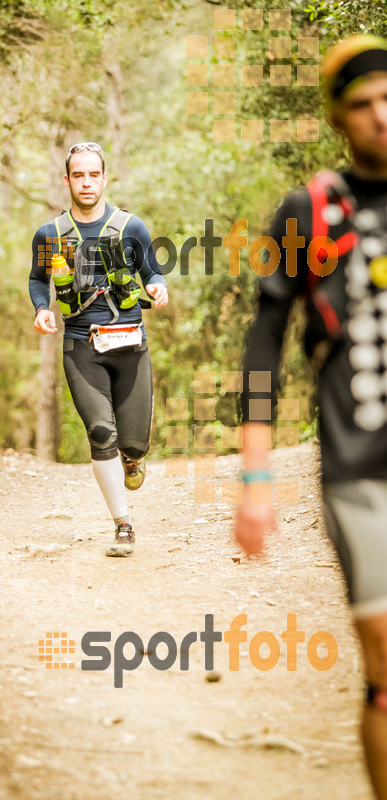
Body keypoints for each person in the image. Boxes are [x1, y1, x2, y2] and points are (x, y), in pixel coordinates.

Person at [235, 35, 387, 799]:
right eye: (362, 105)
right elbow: (261, 346)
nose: (381, 116)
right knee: (385, 658)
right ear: (336, 117)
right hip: (359, 470)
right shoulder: (307, 211)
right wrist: (255, 479)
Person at [29, 142, 168, 557]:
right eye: (78, 175)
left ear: (105, 179)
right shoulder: (49, 235)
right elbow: (38, 279)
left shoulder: (131, 227)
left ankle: (133, 457)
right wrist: (41, 309)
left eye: (94, 174)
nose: (86, 182)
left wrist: (158, 285)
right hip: (80, 346)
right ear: (67, 180)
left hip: (130, 345)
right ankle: (123, 524)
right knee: (100, 433)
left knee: (133, 443)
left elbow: (151, 269)